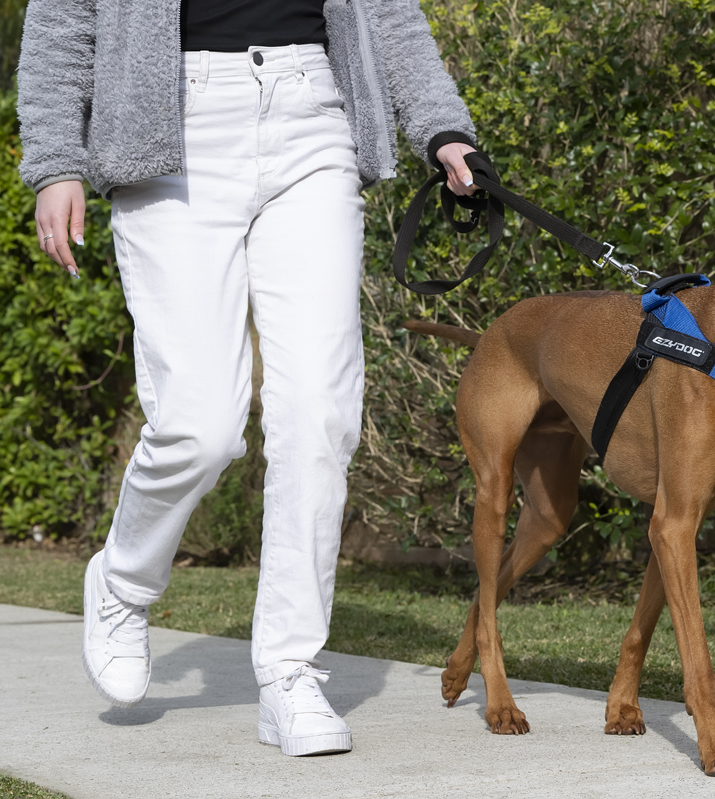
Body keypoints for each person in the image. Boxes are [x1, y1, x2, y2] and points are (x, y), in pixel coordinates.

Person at [17, 0, 477, 757]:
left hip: (312, 117)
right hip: (170, 131)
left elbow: (389, 14)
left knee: (320, 411)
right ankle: (124, 581)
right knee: (200, 424)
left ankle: (289, 671)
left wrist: (442, 127)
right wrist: (55, 162)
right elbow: (64, 24)